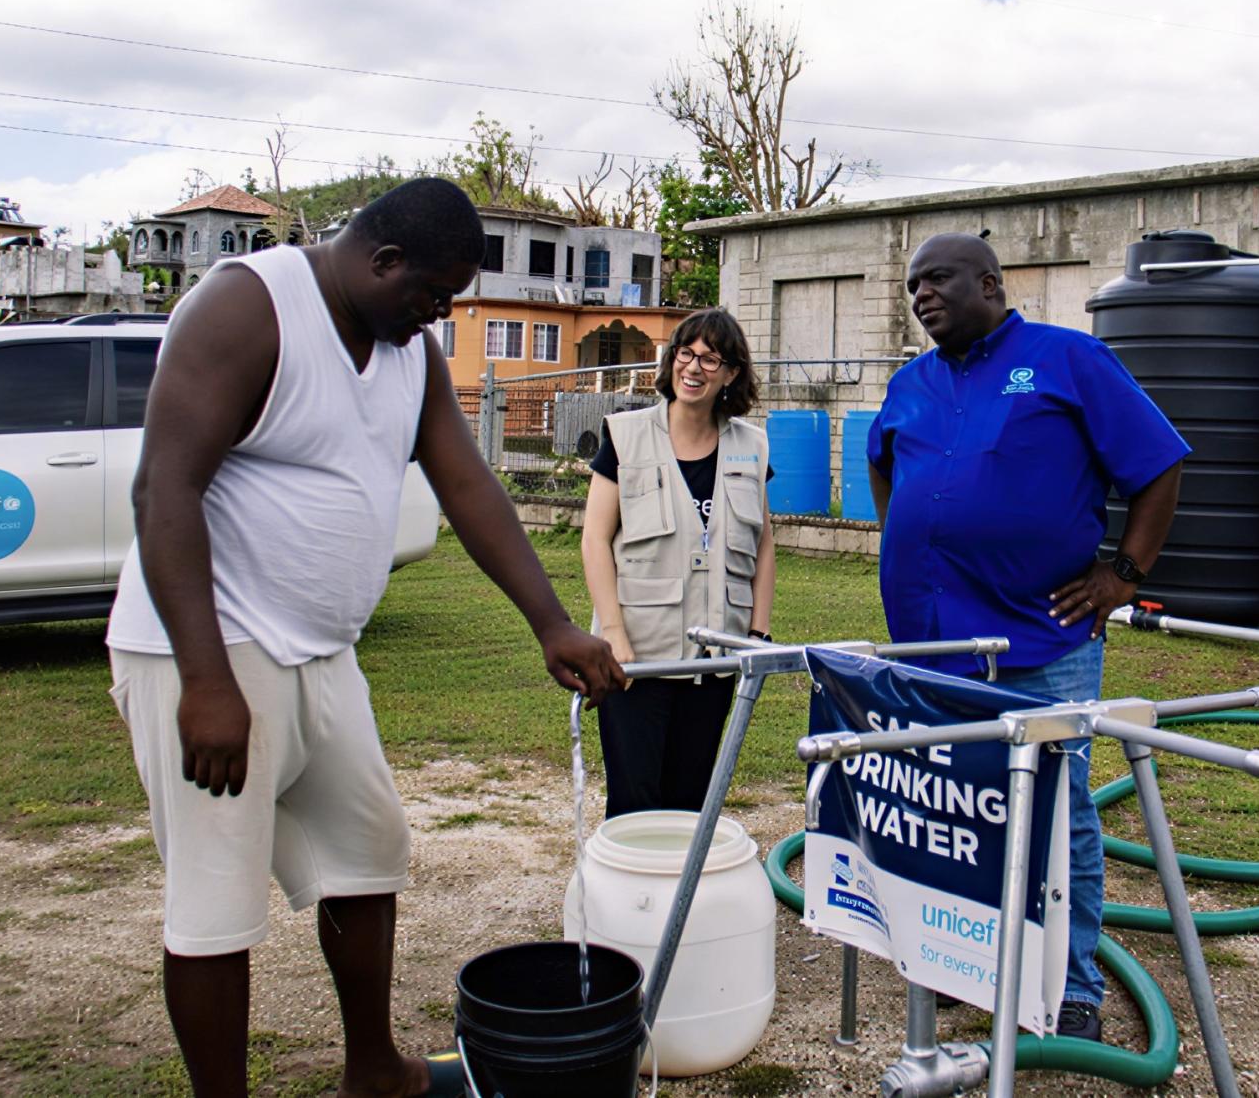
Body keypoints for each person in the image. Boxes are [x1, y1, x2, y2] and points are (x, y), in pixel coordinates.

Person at [106, 177, 624, 1098]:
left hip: (323, 651)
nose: (442, 313)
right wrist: (206, 681)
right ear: (382, 261)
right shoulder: (247, 307)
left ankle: (373, 1072)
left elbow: (468, 485)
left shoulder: (409, 352)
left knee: (367, 850)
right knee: (216, 904)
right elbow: (165, 490)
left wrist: (550, 623)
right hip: (210, 649)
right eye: (433, 293)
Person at [866, 233, 1187, 1042]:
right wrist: (917, 543)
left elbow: (1158, 466)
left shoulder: (1067, 360)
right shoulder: (911, 384)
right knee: (955, 808)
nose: (921, 296)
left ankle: (1070, 983)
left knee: (1056, 814)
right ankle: (969, 957)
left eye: (936, 280)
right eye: (912, 288)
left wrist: (1124, 577)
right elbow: (885, 466)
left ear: (991, 283)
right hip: (934, 646)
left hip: (1042, 641)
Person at [581, 308, 776, 818]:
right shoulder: (625, 436)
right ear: (671, 362)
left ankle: (682, 899)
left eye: (711, 359)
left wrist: (757, 634)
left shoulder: (751, 446)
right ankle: (630, 899)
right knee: (634, 801)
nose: (694, 368)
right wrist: (614, 635)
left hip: (716, 659)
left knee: (692, 801)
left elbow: (764, 545)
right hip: (639, 657)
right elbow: (595, 541)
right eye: (686, 354)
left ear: (731, 373)